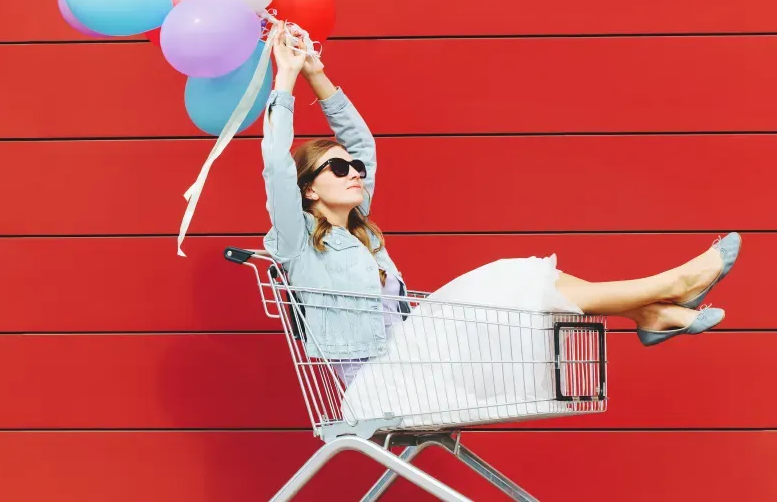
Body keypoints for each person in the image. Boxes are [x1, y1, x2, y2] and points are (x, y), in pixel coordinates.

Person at [260, 31, 740, 388]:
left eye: (355, 167)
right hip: (382, 379)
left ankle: (653, 310)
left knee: (528, 276)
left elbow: (362, 141)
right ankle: (660, 298)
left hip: (414, 355)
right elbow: (276, 165)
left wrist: (315, 73)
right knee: (518, 279)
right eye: (338, 166)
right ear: (308, 191)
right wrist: (285, 75)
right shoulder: (297, 241)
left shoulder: (364, 234)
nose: (353, 170)